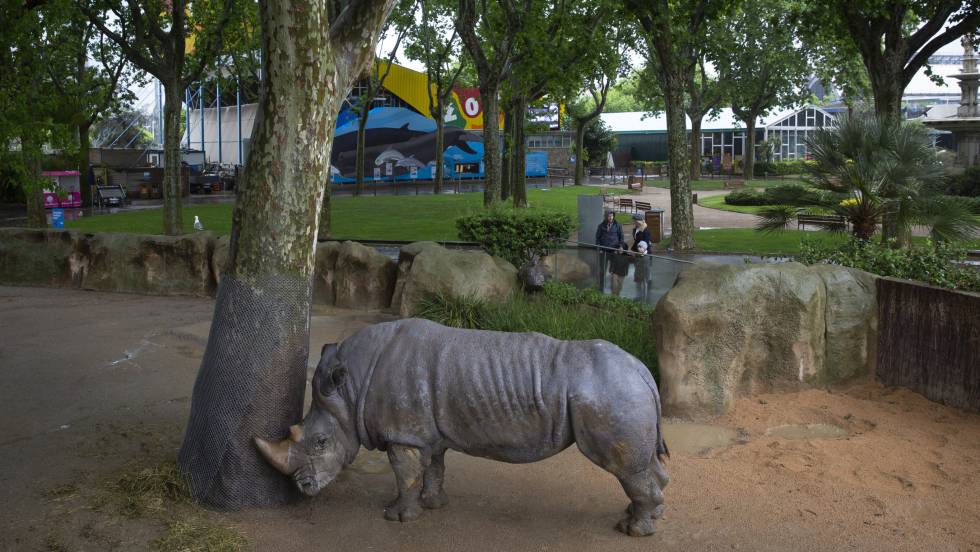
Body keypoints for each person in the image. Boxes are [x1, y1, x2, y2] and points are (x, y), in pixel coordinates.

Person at [595, 210, 624, 290]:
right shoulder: (601, 226)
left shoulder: (618, 225)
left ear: (613, 216)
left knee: (614, 270)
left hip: (614, 251)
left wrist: (620, 246)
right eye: (609, 216)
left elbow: (621, 237)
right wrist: (599, 248)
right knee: (602, 269)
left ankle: (614, 285)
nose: (610, 218)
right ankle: (601, 285)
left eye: (611, 216)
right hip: (603, 250)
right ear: (606, 216)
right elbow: (598, 238)